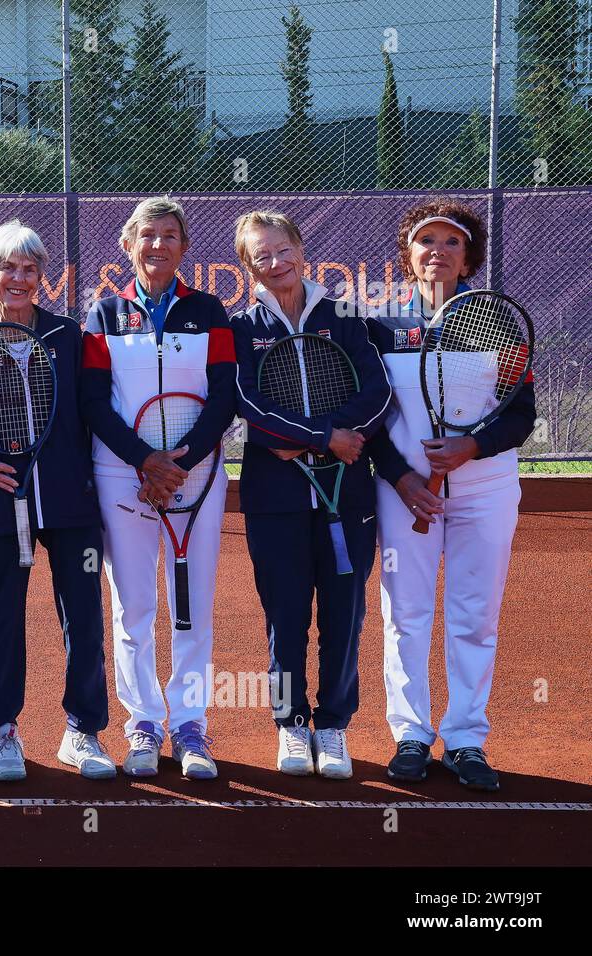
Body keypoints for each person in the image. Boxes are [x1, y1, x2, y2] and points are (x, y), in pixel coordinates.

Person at [365, 201, 535, 791]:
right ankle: (410, 734)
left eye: (451, 242)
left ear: (470, 257)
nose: (437, 250)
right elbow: (371, 420)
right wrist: (402, 477)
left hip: (486, 489)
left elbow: (521, 417)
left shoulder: (499, 322)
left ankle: (465, 738)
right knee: (405, 612)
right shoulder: (380, 325)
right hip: (404, 493)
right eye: (425, 240)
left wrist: (472, 448)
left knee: (474, 616)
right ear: (407, 254)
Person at [0, 220, 113, 782]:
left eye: (29, 268)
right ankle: (5, 731)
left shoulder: (70, 338)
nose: (18, 277)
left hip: (69, 501)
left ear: (43, 276)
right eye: (7, 267)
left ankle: (82, 730)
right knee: (3, 616)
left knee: (83, 615)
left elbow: (96, 412)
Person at [229, 211, 391, 780]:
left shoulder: (344, 316)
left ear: (301, 247)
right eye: (261, 257)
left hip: (348, 490)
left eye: (283, 249)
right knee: (285, 612)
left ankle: (333, 725)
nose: (276, 264)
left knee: (345, 611)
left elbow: (378, 392)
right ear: (248, 267)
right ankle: (291, 725)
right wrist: (323, 437)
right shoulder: (240, 327)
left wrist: (339, 440)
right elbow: (248, 407)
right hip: (274, 496)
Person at [81, 197, 237, 779]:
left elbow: (223, 397)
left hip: (196, 474)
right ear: (128, 245)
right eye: (147, 235)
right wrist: (145, 461)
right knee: (134, 605)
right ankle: (143, 721)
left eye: (170, 235)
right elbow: (94, 402)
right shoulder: (103, 315)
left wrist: (181, 461)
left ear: (184, 247)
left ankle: (191, 724)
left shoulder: (210, 312)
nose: (158, 245)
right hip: (124, 474)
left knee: (191, 604)